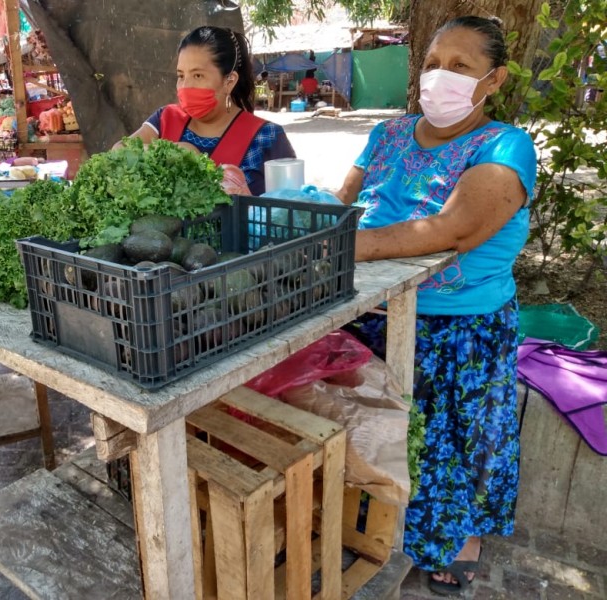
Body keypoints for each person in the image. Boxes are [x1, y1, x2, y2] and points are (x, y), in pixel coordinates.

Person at [335, 16, 537, 596]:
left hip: (458, 334)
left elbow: (455, 229)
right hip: (370, 314)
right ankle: (377, 532)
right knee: (378, 437)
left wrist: (343, 248)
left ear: (493, 80)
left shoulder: (504, 145)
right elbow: (342, 202)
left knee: (453, 446)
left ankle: (457, 543)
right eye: (432, 63)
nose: (439, 77)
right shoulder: (388, 134)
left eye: (460, 66)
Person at [116, 26, 295, 195]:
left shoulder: (267, 136)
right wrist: (182, 152)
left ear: (229, 81)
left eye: (198, 75)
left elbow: (292, 212)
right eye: (181, 76)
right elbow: (118, 151)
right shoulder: (165, 119)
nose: (185, 86)